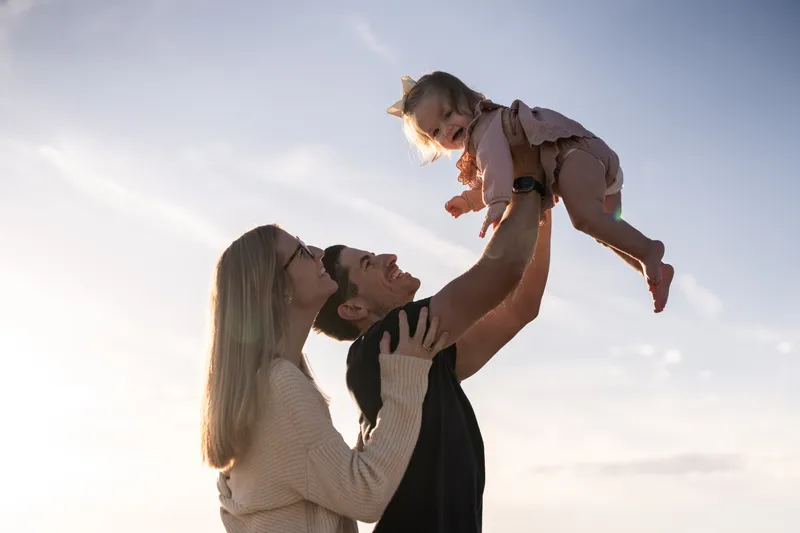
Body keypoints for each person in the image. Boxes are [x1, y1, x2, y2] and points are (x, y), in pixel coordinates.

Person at [312, 114, 551, 533]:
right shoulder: (381, 343)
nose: (389, 257)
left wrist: (540, 205)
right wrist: (527, 180)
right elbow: (503, 272)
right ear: (352, 309)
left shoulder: (424, 353)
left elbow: (520, 307)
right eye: (368, 263)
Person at [200, 224, 450, 533]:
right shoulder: (281, 386)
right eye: (302, 252)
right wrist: (406, 377)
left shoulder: (275, 383)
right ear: (279, 289)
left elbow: (335, 486)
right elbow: (365, 495)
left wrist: (381, 407)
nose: (318, 253)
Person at [387, 71, 674, 313]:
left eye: (448, 115)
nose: (447, 130)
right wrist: (466, 201)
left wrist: (496, 205)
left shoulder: (485, 128)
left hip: (573, 155)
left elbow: (496, 167)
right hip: (591, 160)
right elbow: (489, 176)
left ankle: (649, 249)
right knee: (605, 229)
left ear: (470, 100)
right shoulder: (484, 137)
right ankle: (654, 270)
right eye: (435, 132)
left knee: (585, 218)